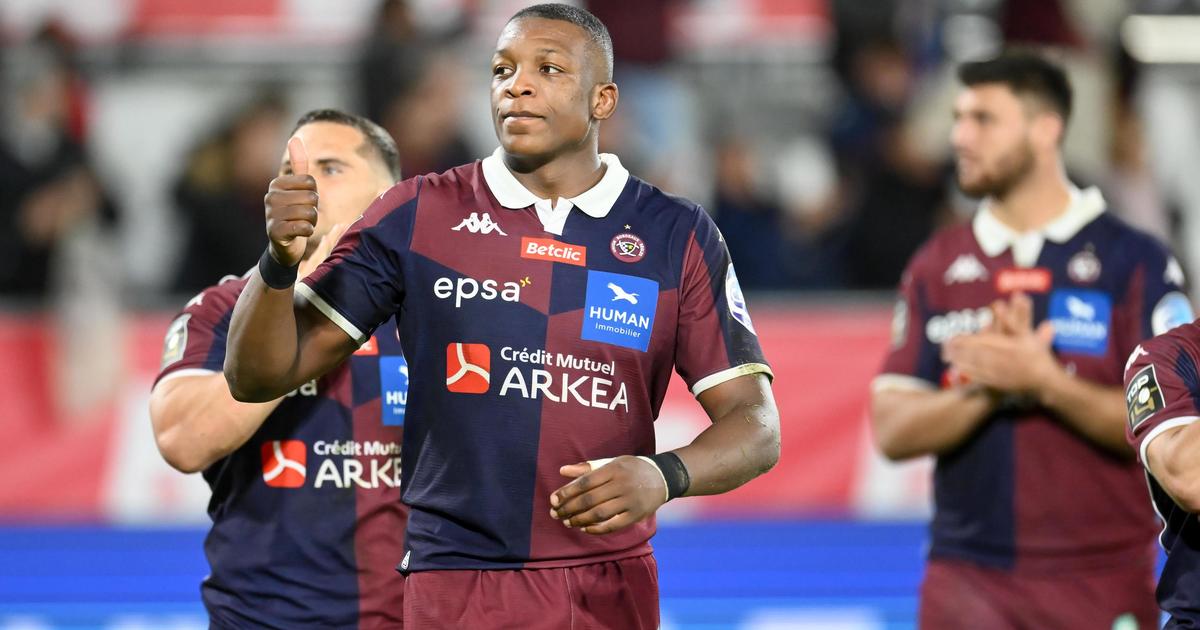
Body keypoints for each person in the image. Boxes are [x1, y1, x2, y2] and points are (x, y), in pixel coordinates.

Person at [223, 4, 781, 628]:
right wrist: (277, 264)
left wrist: (664, 474)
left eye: (549, 69)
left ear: (603, 100)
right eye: (502, 69)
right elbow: (257, 376)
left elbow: (757, 426)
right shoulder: (419, 213)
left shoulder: (675, 235)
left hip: (611, 584)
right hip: (457, 582)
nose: (517, 85)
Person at [870, 52, 1190, 628]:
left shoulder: (1137, 262)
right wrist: (987, 391)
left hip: (1103, 581)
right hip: (965, 583)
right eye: (958, 119)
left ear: (1046, 130)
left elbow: (1176, 436)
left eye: (983, 119)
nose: (959, 137)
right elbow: (891, 430)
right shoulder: (936, 264)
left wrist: (1045, 382)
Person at [149, 109, 408, 628]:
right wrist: (295, 293)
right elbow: (182, 441)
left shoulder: (436, 313)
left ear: (389, 197)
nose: (304, 185)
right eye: (290, 174)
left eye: (330, 168)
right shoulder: (224, 308)